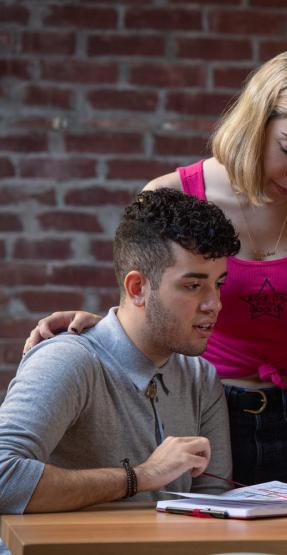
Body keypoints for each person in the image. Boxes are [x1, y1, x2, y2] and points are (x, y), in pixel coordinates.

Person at [22, 49, 287, 486]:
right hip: (203, 408)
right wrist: (101, 332)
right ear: (256, 123)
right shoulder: (172, 192)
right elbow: (151, 300)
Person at [0, 189, 239, 513]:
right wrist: (139, 477)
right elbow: (3, 477)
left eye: (219, 284)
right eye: (193, 286)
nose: (215, 304)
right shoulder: (68, 361)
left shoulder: (200, 376)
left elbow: (214, 506)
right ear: (137, 288)